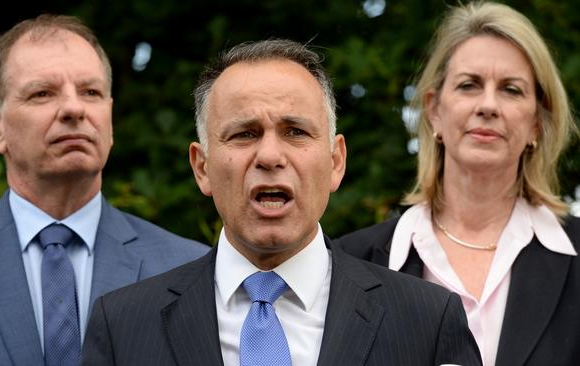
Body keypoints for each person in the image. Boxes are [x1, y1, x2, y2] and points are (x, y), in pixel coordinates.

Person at [81, 39, 481, 366]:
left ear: (335, 161)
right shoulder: (123, 326)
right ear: (201, 167)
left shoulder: (427, 321)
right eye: (244, 134)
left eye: (294, 131)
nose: (270, 156)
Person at [0, 15, 208, 366]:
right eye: (42, 93)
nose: (74, 109)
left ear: (109, 117)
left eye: (91, 92)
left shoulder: (189, 270)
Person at [337, 2, 580, 365]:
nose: (488, 105)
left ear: (536, 123)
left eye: (511, 90)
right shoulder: (347, 263)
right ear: (434, 109)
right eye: (469, 85)